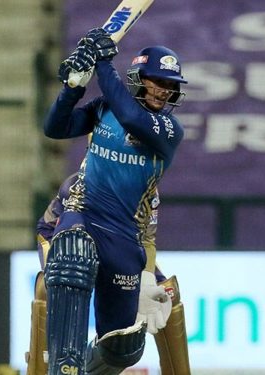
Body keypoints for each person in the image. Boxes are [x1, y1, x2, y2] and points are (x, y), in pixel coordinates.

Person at [40, 28, 188, 375]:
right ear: (138, 79)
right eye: (156, 82)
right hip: (83, 215)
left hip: (124, 238)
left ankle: (87, 366)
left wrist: (102, 64)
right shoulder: (106, 107)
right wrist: (72, 88)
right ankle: (63, 367)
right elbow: (55, 128)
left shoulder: (168, 129)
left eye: (169, 85)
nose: (163, 91)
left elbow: (132, 119)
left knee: (122, 347)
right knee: (72, 257)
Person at [25, 173, 191, 375]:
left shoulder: (148, 189)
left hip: (120, 242)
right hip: (64, 236)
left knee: (166, 293)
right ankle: (47, 366)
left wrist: (146, 280)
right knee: (57, 282)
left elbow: (146, 239)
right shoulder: (81, 184)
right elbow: (76, 231)